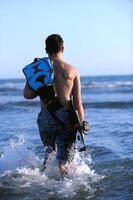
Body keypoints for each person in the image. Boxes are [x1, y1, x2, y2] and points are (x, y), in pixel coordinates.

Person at [23, 34, 85, 175]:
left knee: (49, 154)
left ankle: (42, 183)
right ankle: (64, 190)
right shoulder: (72, 70)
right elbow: (78, 101)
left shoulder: (38, 68)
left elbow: (28, 95)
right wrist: (82, 123)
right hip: (66, 119)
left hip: (46, 118)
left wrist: (38, 84)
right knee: (64, 161)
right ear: (62, 48)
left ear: (46, 50)